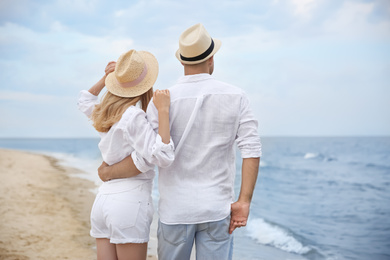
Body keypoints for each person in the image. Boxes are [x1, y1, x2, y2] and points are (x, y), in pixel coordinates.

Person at [98, 24, 262, 260]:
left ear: (182, 62)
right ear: (211, 59)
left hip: (175, 212)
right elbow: (252, 150)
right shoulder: (236, 96)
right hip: (216, 209)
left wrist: (108, 171)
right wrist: (244, 201)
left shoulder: (161, 101)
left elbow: (146, 157)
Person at [77, 49, 175, 260]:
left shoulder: (106, 112)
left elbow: (84, 100)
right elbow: (162, 157)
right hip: (130, 201)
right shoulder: (133, 116)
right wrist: (164, 112)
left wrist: (105, 79)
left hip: (103, 200)